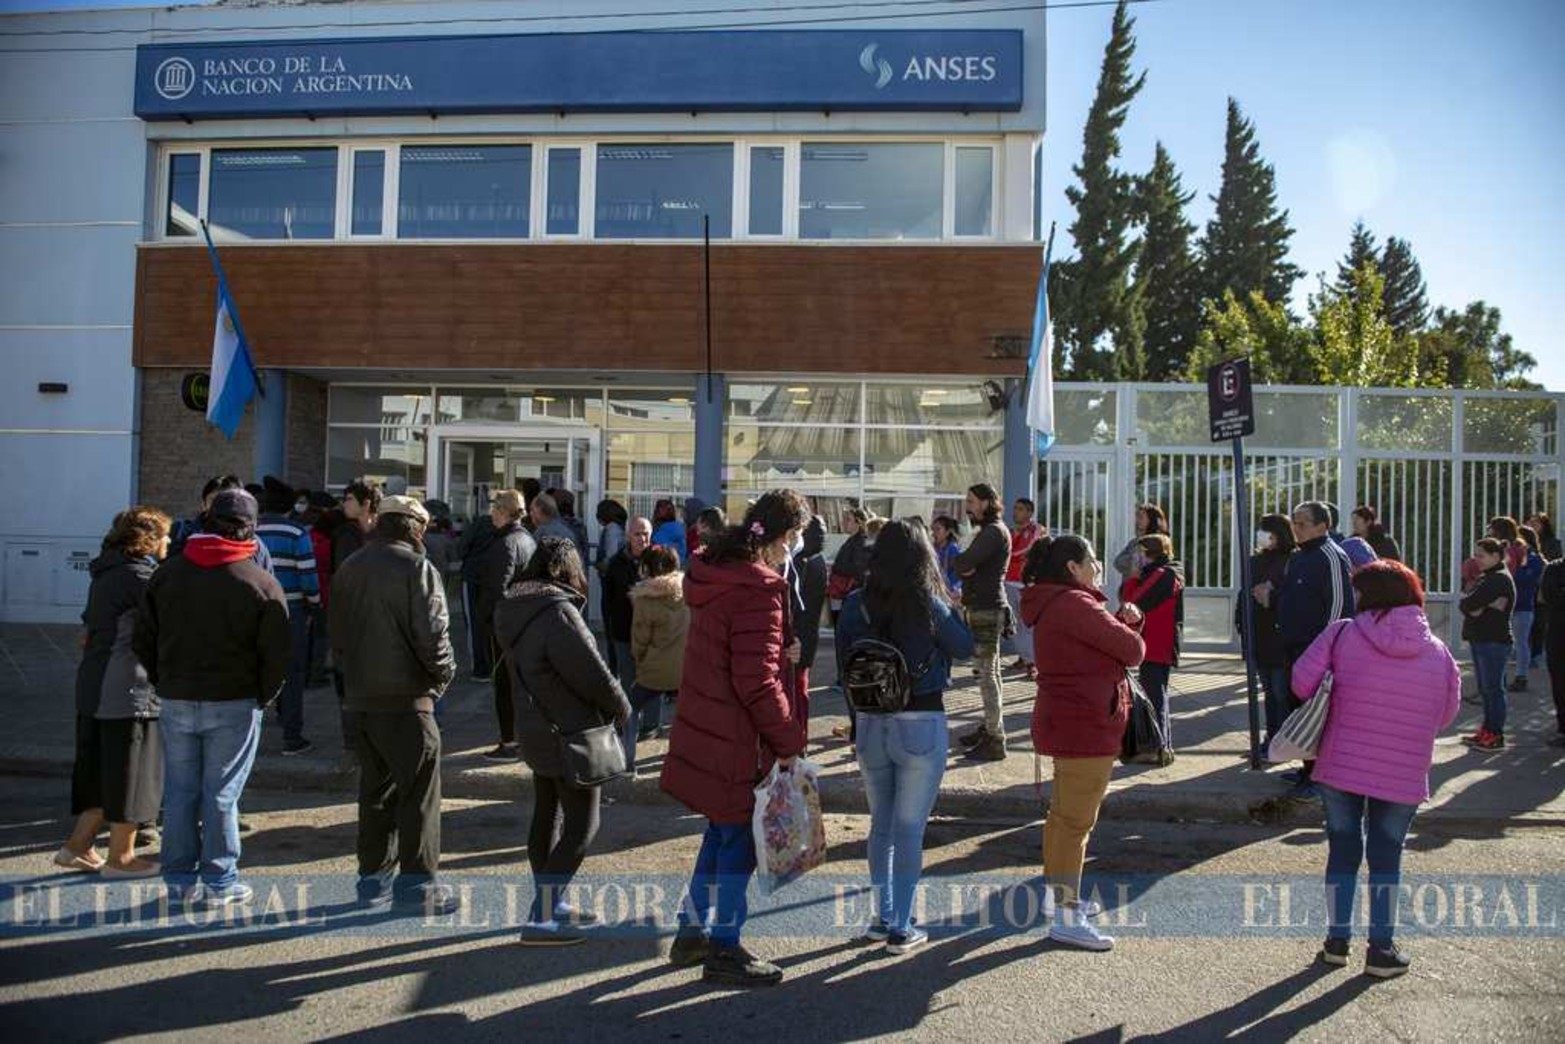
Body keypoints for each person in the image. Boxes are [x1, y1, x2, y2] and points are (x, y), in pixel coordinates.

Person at [662, 489, 810, 987]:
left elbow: (739, 656)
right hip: (738, 741)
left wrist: (778, 650)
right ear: (784, 537)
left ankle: (690, 931)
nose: (796, 549)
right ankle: (723, 945)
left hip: (709, 727)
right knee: (739, 845)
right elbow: (757, 682)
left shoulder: (713, 571)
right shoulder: (759, 589)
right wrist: (788, 738)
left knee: (719, 834)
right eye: (796, 539)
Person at [1291, 560, 1460, 979]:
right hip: (1402, 770)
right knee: (1387, 857)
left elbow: (1300, 683)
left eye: (1359, 591)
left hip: (1342, 762)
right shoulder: (1438, 651)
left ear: (1370, 595)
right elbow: (1446, 714)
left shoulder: (1343, 632)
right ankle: (1381, 949)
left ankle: (1336, 942)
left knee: (1343, 850)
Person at [134, 489, 290, 906]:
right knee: (220, 793)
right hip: (234, 700)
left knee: (181, 792)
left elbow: (142, 638)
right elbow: (276, 656)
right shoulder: (260, 583)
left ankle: (180, 879)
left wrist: (162, 678)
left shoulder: (167, 574)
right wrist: (264, 696)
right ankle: (220, 880)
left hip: (178, 696)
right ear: (250, 531)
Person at [835, 521, 974, 954]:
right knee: (910, 829)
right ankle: (902, 925)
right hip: (921, 719)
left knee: (880, 825)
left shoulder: (856, 604)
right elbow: (966, 647)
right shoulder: (928, 603)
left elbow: (844, 667)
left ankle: (881, 916)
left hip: (872, 722)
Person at [496, 537, 632, 945]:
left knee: (547, 813)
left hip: (535, 727)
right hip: (568, 731)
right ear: (564, 571)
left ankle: (551, 905)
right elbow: (591, 674)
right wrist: (622, 707)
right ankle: (541, 916)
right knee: (582, 825)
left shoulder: (511, 606)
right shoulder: (557, 613)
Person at [330, 496, 459, 915]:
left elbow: (338, 638)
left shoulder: (350, 566)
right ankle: (417, 888)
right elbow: (434, 636)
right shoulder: (417, 568)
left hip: (362, 697)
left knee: (375, 793)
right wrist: (440, 681)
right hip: (407, 699)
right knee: (419, 796)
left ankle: (372, 882)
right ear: (413, 527)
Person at [1021, 534, 1145, 951]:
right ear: (1073, 568)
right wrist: (1128, 625)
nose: (1097, 566)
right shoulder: (1075, 604)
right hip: (1086, 724)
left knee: (1063, 818)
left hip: (1069, 719)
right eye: (1091, 559)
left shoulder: (1056, 602)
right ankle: (1067, 914)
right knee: (1075, 823)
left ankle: (1057, 895)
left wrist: (1120, 622)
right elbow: (1133, 650)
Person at [56, 507, 171, 878]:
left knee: (101, 773)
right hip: (127, 689)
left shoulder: (105, 572)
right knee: (131, 775)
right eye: (165, 535)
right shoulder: (141, 576)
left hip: (94, 683)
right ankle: (121, 857)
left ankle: (77, 846)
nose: (169, 542)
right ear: (149, 540)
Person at [1276, 501, 1356, 797]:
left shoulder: (1331, 556)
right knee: (1299, 711)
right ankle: (1308, 770)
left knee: (1319, 714)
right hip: (1293, 648)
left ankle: (1321, 778)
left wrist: (1328, 652)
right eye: (1294, 521)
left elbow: (1339, 609)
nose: (1296, 528)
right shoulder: (1298, 557)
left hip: (1317, 653)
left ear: (1323, 526)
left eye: (1303, 522)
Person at [257, 476, 321, 757]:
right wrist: (315, 602)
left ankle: (254, 733)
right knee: (293, 672)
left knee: (257, 668)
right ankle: (292, 735)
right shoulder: (296, 532)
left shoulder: (251, 531)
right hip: (291, 607)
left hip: (256, 608)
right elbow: (308, 572)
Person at [953, 483, 1012, 762]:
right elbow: (964, 565)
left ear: (987, 503)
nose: (968, 506)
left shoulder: (992, 532)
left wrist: (965, 567)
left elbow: (961, 562)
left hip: (987, 609)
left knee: (987, 674)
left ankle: (995, 737)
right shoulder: (989, 532)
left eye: (972, 501)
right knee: (988, 673)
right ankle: (990, 728)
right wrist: (966, 567)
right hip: (983, 606)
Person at [477, 490, 537, 760]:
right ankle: (522, 739)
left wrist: (489, 619)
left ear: (503, 511)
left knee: (505, 686)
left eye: (494, 509)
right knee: (520, 685)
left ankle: (510, 742)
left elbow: (497, 590)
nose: (491, 514)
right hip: (524, 622)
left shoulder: (506, 542)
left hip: (506, 627)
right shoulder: (526, 538)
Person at [1119, 533, 1183, 756]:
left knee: (1155, 696)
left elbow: (1132, 603)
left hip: (1157, 645)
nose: (1135, 558)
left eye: (1139, 553)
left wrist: (1133, 577)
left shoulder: (1162, 574)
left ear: (1148, 553)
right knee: (1156, 694)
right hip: (1154, 643)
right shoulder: (1161, 572)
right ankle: (1160, 745)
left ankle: (1159, 746)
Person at [626, 544, 689, 770]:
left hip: (654, 667)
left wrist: (640, 660)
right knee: (687, 717)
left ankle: (627, 762)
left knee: (630, 708)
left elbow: (640, 639)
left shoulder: (645, 598)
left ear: (647, 568)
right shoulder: (688, 591)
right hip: (685, 667)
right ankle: (684, 761)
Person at [1237, 514, 1296, 750]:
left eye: (1266, 530)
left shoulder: (1292, 560)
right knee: (1269, 692)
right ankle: (1271, 737)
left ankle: (1283, 739)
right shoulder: (1254, 561)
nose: (1260, 535)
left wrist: (1271, 595)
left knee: (1282, 691)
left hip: (1280, 636)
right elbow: (1245, 593)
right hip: (1259, 633)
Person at [1460, 537, 1516, 752]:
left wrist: (1477, 604)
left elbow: (1471, 603)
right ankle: (1487, 730)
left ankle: (1495, 735)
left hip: (1493, 641)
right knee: (1487, 689)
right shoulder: (1488, 577)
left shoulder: (1498, 579)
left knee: (1493, 689)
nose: (1477, 559)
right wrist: (1481, 604)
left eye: (1481, 555)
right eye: (1476, 554)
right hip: (1482, 639)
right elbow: (1467, 604)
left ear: (1495, 556)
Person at [604, 516, 652, 700]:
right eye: (637, 534)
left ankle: (650, 727)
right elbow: (608, 603)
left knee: (651, 685)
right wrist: (611, 633)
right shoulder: (615, 564)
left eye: (646, 534)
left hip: (652, 634)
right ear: (628, 536)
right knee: (628, 684)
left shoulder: (658, 560)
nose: (642, 539)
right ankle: (629, 726)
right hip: (624, 633)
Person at [457, 505, 497, 680]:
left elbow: (462, 548)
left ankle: (480, 668)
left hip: (473, 577)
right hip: (494, 578)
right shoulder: (508, 529)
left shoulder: (478, 524)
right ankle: (492, 665)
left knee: (474, 624)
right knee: (491, 623)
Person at [1005, 497, 1043, 680]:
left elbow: (1023, 550)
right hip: (1009, 582)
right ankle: (1024, 658)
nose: (1015, 512)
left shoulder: (1036, 530)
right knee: (1015, 623)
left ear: (1029, 512)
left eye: (1020, 509)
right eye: (1015, 508)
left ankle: (1033, 663)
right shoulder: (1010, 531)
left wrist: (1007, 554)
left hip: (1027, 584)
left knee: (1029, 624)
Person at [793, 515, 830, 693]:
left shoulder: (802, 563)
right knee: (801, 685)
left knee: (796, 688)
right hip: (809, 634)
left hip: (798, 636)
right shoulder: (819, 560)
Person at [1509, 526, 1545, 693]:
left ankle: (1521, 676)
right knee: (1510, 643)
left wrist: (1519, 565)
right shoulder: (1511, 557)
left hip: (1523, 606)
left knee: (1521, 642)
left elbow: (1524, 580)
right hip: (1509, 606)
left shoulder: (1534, 560)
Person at [1525, 512, 1559, 672]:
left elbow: (1553, 565)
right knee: (1526, 624)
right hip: (1526, 588)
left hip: (1542, 588)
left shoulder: (1552, 543)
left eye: (1536, 523)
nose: (1532, 525)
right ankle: (1525, 655)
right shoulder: (1525, 543)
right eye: (1530, 522)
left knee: (1539, 623)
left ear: (1544, 525)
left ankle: (1536, 655)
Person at [1539, 551, 1565, 747]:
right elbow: (1549, 597)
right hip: (1558, 637)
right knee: (1560, 683)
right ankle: (1563, 729)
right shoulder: (1554, 569)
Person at [827, 508, 871, 617]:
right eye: (844, 519)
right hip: (844, 592)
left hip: (848, 592)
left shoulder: (860, 541)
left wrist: (835, 568)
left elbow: (858, 568)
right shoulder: (852, 540)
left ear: (859, 523)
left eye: (848, 520)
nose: (843, 523)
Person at [1112, 503, 1167, 582]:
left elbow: (1146, 565)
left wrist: (1136, 560)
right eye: (1137, 516)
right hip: (1129, 588)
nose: (1137, 520)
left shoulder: (1158, 542)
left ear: (1151, 519)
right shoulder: (1134, 542)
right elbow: (1118, 562)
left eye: (1141, 517)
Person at [531, 492, 583, 559]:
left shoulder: (542, 533)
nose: (530, 514)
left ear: (540, 511)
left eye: (532, 510)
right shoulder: (570, 529)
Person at [931, 515, 963, 600]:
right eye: (933, 529)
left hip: (950, 593)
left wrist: (956, 589)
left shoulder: (953, 549)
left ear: (947, 532)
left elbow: (960, 573)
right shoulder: (934, 549)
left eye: (938, 529)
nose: (933, 533)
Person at [651, 498, 688, 564]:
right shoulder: (678, 526)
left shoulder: (664, 530)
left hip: (668, 565)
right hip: (680, 563)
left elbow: (654, 547)